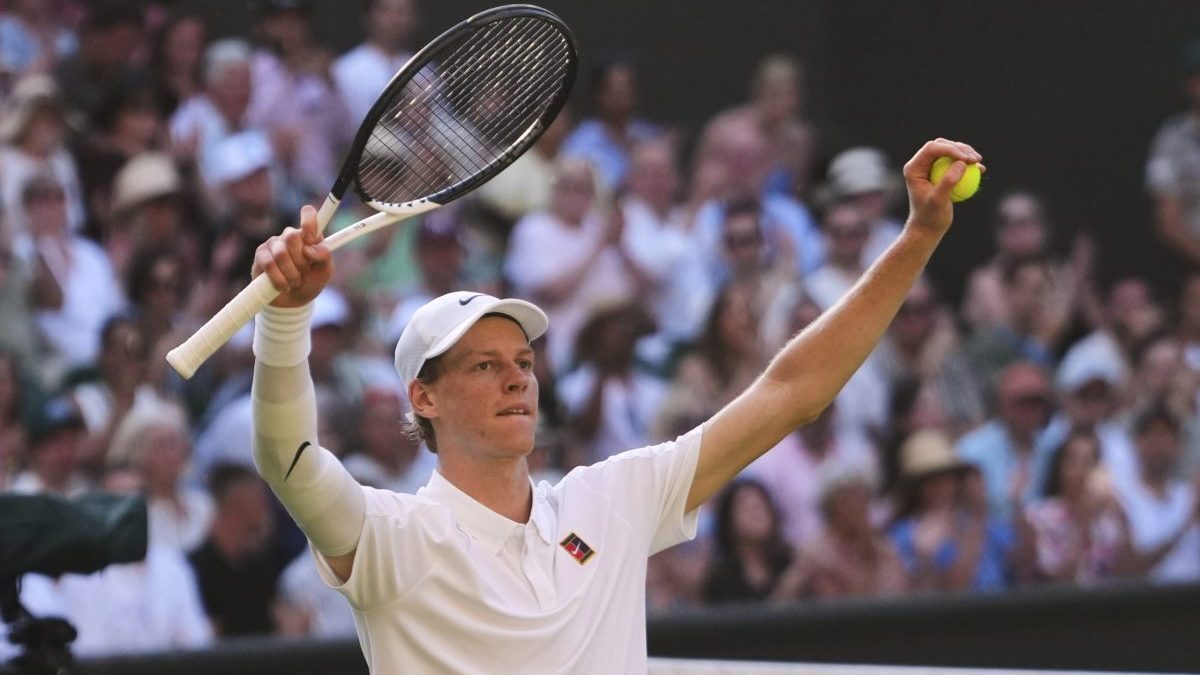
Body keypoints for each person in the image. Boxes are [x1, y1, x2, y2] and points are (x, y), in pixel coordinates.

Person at [247, 138, 982, 671]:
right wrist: (284, 320)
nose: (516, 380)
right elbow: (287, 458)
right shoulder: (390, 535)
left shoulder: (609, 500)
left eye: (525, 363)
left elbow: (792, 391)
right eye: (484, 364)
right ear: (423, 396)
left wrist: (917, 238)